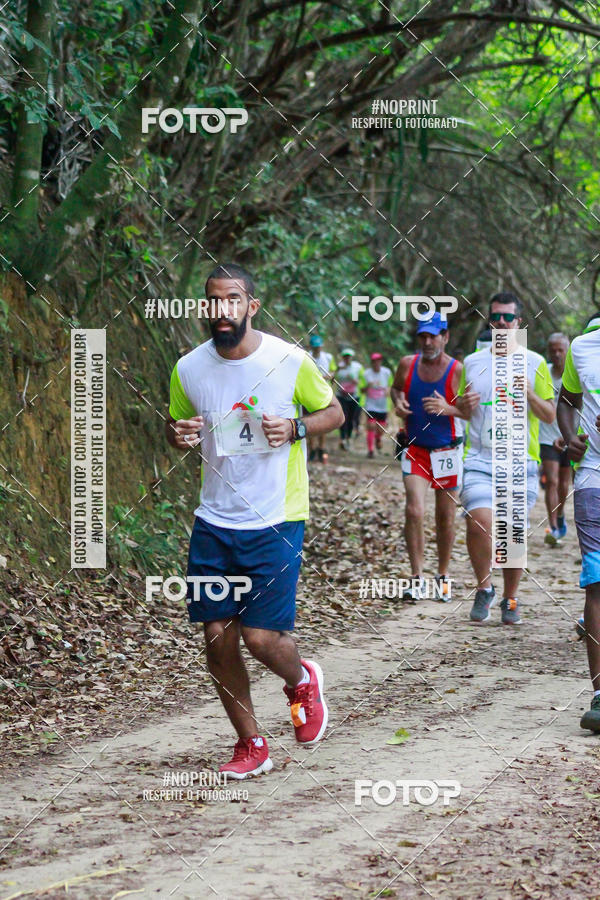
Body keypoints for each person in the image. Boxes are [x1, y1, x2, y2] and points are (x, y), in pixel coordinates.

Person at [165, 263, 344, 778]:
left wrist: (294, 427)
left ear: (251, 306)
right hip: (214, 519)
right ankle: (251, 743)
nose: (223, 310)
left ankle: (301, 679)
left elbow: (334, 412)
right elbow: (178, 427)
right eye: (213, 300)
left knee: (261, 639)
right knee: (217, 636)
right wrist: (179, 436)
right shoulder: (188, 369)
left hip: (275, 516)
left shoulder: (288, 360)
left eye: (233, 299)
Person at [456, 292, 555, 625]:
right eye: (496, 316)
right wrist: (463, 407)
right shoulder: (472, 362)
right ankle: (485, 587)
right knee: (480, 520)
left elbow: (550, 415)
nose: (501, 322)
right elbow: (462, 408)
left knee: (512, 533)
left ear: (519, 322)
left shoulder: (535, 362)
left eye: (508, 318)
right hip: (480, 459)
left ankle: (510, 598)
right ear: (489, 319)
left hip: (519, 461)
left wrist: (528, 392)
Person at [391, 312, 464, 601]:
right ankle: (417, 576)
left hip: (447, 449)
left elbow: (475, 412)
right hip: (415, 448)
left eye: (434, 335)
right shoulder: (407, 364)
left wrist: (449, 409)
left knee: (445, 517)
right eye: (423, 335)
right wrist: (398, 404)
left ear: (445, 337)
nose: (428, 341)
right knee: (414, 510)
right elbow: (396, 389)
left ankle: (443, 575)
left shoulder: (458, 370)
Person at [557, 313, 600, 732]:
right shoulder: (582, 347)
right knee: (597, 579)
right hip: (593, 475)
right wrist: (570, 436)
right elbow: (567, 402)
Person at [539, 333, 571, 545]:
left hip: (569, 435)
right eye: (553, 350)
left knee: (564, 484)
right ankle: (553, 526)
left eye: (561, 350)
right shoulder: (543, 373)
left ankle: (560, 515)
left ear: (567, 351)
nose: (557, 354)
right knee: (551, 481)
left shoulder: (574, 374)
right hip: (546, 435)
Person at [307, 335, 335, 462]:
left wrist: (329, 376)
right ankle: (312, 447)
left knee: (323, 420)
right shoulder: (306, 356)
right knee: (310, 419)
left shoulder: (328, 357)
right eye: (315, 347)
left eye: (319, 347)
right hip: (309, 392)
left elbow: (333, 371)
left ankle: (321, 447)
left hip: (324, 392)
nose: (317, 349)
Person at [363, 352, 392, 458]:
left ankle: (378, 438)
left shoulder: (387, 372)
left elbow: (390, 385)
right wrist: (367, 386)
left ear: (381, 361)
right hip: (370, 405)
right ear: (372, 362)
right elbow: (361, 389)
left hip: (383, 405)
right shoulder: (366, 374)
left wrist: (388, 390)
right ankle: (370, 451)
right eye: (374, 361)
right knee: (370, 426)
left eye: (378, 360)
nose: (376, 363)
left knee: (381, 429)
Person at [336, 348, 363, 450]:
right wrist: (337, 370)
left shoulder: (357, 367)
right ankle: (342, 438)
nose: (347, 358)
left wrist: (353, 379)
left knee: (352, 418)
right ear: (343, 357)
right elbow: (332, 378)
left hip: (354, 396)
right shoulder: (339, 367)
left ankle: (348, 437)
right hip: (341, 396)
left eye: (349, 356)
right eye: (345, 356)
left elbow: (362, 382)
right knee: (343, 417)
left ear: (351, 357)